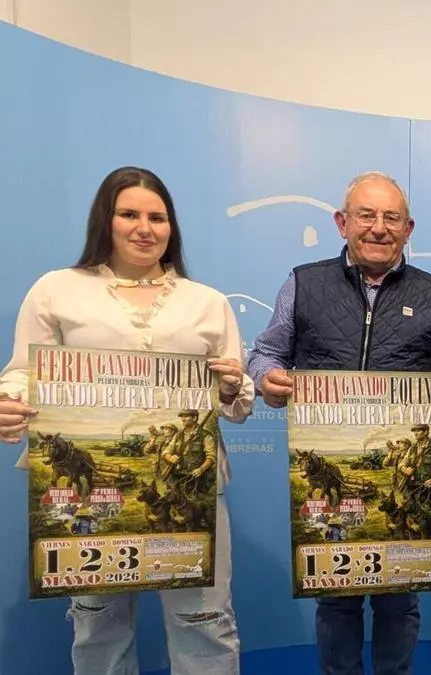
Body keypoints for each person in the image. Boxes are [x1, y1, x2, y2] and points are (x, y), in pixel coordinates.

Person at [0, 166, 253, 674]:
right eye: (129, 214)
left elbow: (237, 404)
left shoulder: (207, 302)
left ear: (171, 226)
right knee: (98, 623)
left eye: (157, 217)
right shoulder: (57, 289)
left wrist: (231, 385)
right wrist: (9, 403)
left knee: (205, 621)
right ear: (105, 220)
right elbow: (23, 372)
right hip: (88, 493)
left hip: (194, 490)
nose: (144, 228)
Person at [246, 171, 431, 675]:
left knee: (400, 600)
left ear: (408, 229)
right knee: (336, 600)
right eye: (366, 215)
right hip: (327, 461)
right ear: (342, 222)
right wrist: (266, 379)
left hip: (404, 478)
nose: (378, 227)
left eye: (391, 218)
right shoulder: (303, 283)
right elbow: (265, 353)